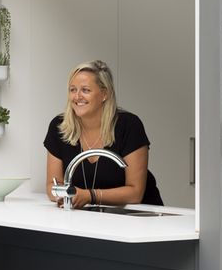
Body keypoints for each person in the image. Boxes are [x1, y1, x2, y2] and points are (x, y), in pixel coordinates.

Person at [44, 59, 163, 209]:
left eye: (85, 90)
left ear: (104, 94)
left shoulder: (129, 125)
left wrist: (90, 196)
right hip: (91, 216)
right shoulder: (59, 127)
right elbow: (52, 185)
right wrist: (62, 195)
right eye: (72, 89)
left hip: (141, 217)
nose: (77, 96)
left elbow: (135, 192)